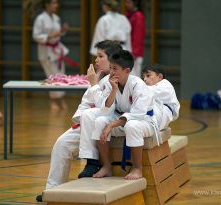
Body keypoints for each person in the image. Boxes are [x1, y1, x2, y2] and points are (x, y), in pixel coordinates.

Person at [35, 40, 122, 202]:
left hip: (109, 124)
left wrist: (94, 84)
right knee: (62, 143)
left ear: (111, 60)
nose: (96, 60)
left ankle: (92, 162)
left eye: (100, 56)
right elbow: (85, 104)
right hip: (87, 124)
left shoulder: (116, 78)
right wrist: (80, 117)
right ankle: (52, 190)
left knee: (91, 115)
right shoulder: (98, 77)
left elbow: (105, 108)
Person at [91, 49, 155, 180]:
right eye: (110, 68)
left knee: (132, 125)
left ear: (127, 70)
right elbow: (105, 111)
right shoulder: (111, 83)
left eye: (115, 68)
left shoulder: (138, 85)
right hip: (122, 120)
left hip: (144, 121)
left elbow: (137, 114)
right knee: (99, 121)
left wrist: (112, 125)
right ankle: (107, 166)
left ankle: (137, 168)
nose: (111, 72)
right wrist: (113, 90)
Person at [33, 0, 69, 111]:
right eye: (53, 3)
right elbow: (36, 36)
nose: (56, 5)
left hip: (57, 49)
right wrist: (52, 35)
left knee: (61, 76)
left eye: (56, 3)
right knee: (51, 76)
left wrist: (63, 31)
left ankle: (60, 99)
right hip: (46, 50)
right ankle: (53, 100)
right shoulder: (40, 19)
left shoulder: (56, 18)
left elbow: (58, 34)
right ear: (46, 4)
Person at [142, 64, 180, 135]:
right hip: (159, 112)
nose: (144, 79)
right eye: (143, 77)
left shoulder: (165, 84)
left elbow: (149, 92)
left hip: (165, 113)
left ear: (159, 77)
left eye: (148, 76)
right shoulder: (151, 87)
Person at [125, 0, 145, 77]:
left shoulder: (138, 16)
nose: (126, 4)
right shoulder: (128, 15)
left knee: (135, 77)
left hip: (134, 53)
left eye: (128, 2)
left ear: (134, 3)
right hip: (129, 50)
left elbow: (138, 36)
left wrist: (134, 53)